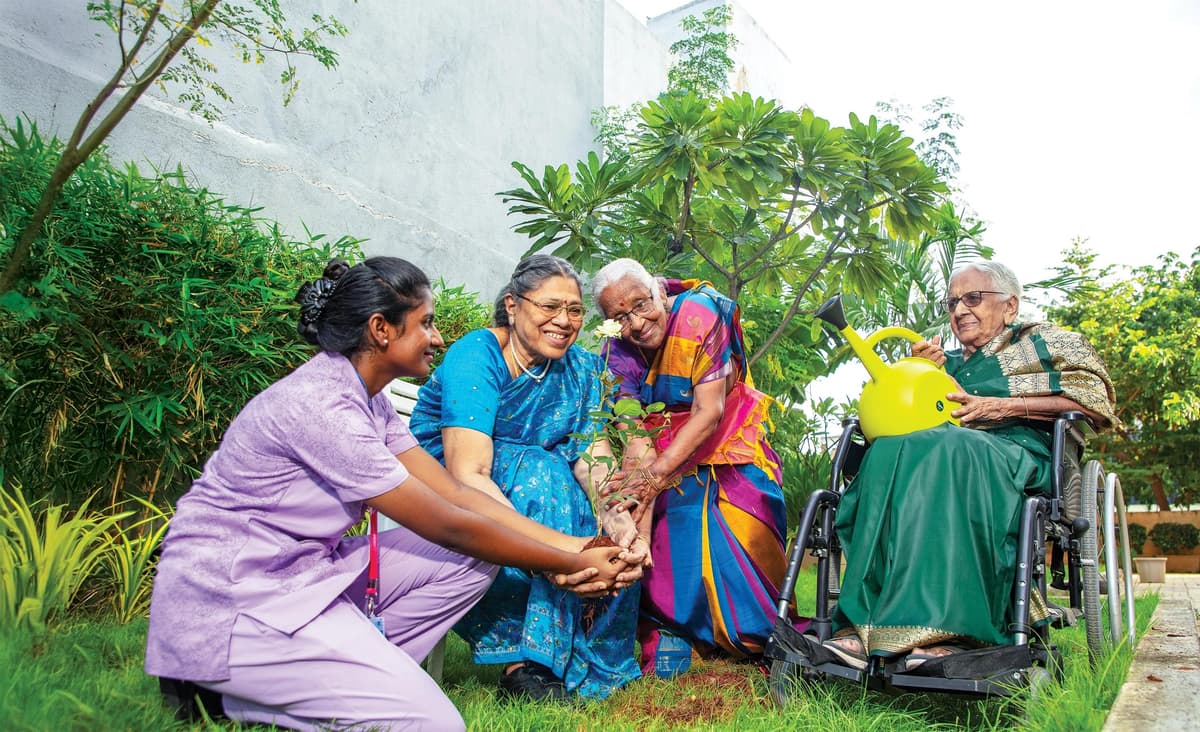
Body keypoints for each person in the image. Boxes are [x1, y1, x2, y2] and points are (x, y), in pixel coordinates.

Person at [144, 257, 639, 732]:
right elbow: (449, 523)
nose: (438, 338)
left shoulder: (369, 400)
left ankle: (338, 672)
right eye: (426, 323)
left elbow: (454, 494)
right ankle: (219, 682)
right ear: (381, 329)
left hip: (309, 571)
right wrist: (565, 560)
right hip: (233, 595)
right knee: (436, 724)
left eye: (574, 309)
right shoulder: (323, 408)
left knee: (474, 559)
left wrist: (582, 547)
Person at [824, 260, 1118, 671]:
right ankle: (864, 626)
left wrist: (1001, 407)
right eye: (952, 303)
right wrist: (917, 374)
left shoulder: (1046, 346)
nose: (960, 309)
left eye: (973, 298)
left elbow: (1094, 402)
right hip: (941, 452)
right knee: (888, 451)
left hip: (1017, 453)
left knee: (949, 449)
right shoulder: (945, 364)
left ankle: (956, 632)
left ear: (1010, 306)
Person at [408, 254, 646, 701]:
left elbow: (590, 458)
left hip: (540, 486)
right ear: (513, 305)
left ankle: (587, 656)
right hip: (452, 485)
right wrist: (554, 555)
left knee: (599, 520)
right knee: (542, 472)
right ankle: (526, 662)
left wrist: (616, 518)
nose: (564, 321)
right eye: (550, 306)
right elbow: (468, 471)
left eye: (574, 310)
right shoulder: (477, 355)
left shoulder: (582, 369)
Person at [590, 258, 799, 674]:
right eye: (620, 317)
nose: (636, 323)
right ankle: (672, 630)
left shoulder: (700, 313)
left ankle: (752, 633)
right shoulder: (615, 350)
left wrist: (654, 478)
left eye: (641, 305)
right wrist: (639, 491)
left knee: (725, 516)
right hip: (661, 447)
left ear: (659, 292)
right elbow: (634, 430)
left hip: (725, 440)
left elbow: (709, 411)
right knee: (651, 518)